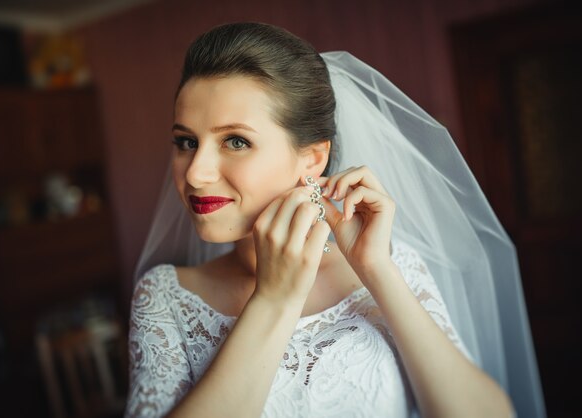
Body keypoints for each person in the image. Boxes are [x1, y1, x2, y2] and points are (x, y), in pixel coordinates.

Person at [125, 22, 545, 418]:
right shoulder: (165, 298)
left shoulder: (388, 264)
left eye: (235, 141)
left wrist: (378, 271)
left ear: (312, 158)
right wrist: (273, 300)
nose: (195, 173)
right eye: (186, 142)